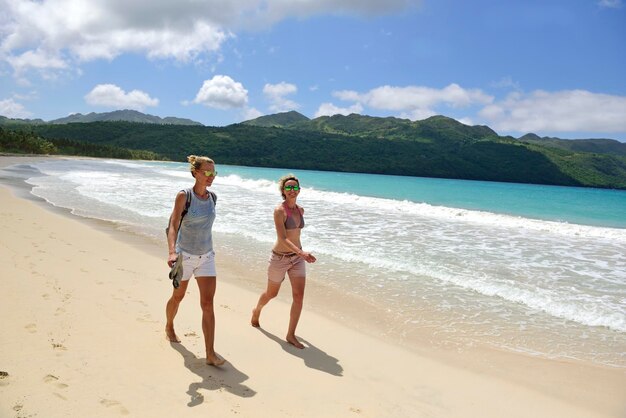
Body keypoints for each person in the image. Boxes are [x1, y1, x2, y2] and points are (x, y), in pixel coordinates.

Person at [165, 155, 225, 366]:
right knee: (178, 297)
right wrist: (172, 251)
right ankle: (169, 325)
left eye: (213, 173)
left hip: (207, 256)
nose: (211, 177)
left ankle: (210, 353)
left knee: (208, 304)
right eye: (207, 172)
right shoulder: (184, 196)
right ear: (195, 173)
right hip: (185, 256)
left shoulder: (213, 197)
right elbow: (173, 225)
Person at [251, 174, 317, 349]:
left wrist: (300, 255)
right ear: (283, 191)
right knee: (271, 294)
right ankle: (257, 310)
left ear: (299, 190)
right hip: (279, 258)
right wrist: (302, 252)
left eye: (295, 187)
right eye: (288, 187)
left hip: (297, 259)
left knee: (299, 296)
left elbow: (296, 236)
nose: (292, 190)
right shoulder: (279, 211)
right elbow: (282, 238)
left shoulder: (301, 210)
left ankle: (290, 334)